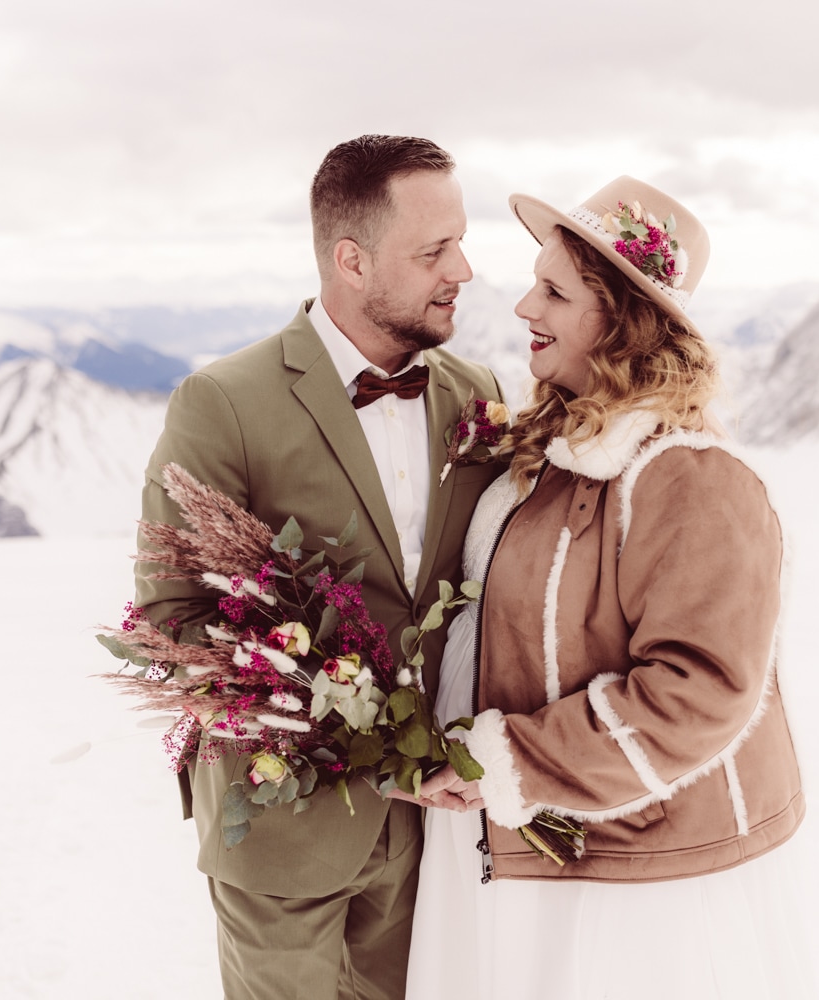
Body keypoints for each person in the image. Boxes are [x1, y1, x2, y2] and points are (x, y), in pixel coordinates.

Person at [402, 177, 819, 998]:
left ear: (624, 322)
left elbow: (699, 694)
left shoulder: (692, 479)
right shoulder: (550, 456)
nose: (524, 307)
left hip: (636, 896)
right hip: (526, 856)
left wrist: (506, 761)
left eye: (555, 291)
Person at [134, 135, 505, 1000]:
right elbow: (173, 620)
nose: (465, 269)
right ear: (351, 259)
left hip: (435, 836)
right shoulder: (222, 402)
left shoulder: (476, 393)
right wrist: (358, 739)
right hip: (282, 831)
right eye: (433, 251)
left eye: (460, 240)